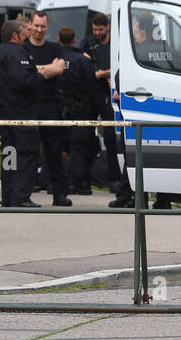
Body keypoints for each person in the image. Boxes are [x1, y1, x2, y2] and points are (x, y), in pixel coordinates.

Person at [0, 18, 64, 207]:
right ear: (15, 34)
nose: (28, 34)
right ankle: (20, 196)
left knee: (9, 154)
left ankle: (8, 195)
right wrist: (40, 76)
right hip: (21, 114)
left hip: (3, 114)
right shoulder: (17, 52)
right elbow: (24, 81)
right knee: (26, 154)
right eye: (25, 31)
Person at [23, 10, 71, 206]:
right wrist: (46, 69)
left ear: (48, 27)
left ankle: (59, 194)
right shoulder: (23, 48)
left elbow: (59, 68)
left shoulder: (55, 48)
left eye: (43, 26)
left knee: (54, 152)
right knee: (28, 153)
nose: (39, 30)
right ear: (30, 25)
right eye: (36, 25)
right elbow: (22, 71)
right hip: (29, 105)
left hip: (51, 105)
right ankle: (23, 195)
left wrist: (35, 69)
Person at [81, 13, 121, 198]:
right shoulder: (87, 43)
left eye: (100, 30)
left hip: (108, 96)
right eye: (95, 29)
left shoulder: (116, 44)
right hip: (91, 94)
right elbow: (87, 71)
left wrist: (101, 73)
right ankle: (84, 178)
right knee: (85, 136)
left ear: (108, 27)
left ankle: (114, 179)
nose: (97, 33)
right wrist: (105, 73)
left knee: (111, 138)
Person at [56, 27, 97, 197]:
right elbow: (92, 85)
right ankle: (77, 183)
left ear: (59, 39)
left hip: (58, 108)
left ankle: (56, 182)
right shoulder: (82, 60)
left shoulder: (55, 58)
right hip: (80, 108)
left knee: (56, 146)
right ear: (74, 40)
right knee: (79, 147)